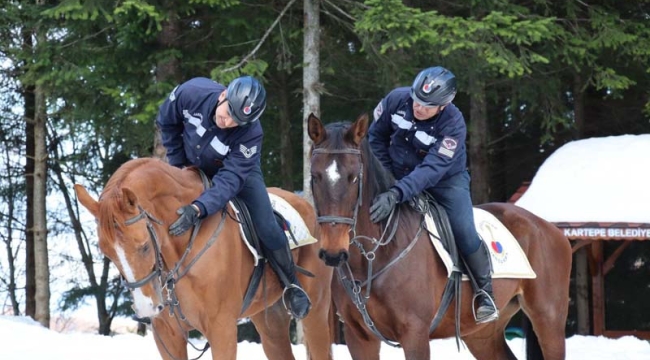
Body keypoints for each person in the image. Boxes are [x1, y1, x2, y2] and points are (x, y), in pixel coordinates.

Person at [156, 76, 311, 319]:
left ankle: (291, 285)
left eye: (236, 122)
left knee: (266, 225)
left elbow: (230, 180)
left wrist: (199, 208)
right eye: (229, 112)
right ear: (223, 95)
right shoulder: (190, 92)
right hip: (187, 164)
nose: (227, 122)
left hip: (235, 173)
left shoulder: (251, 134)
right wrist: (178, 166)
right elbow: (167, 122)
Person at [367, 66, 498, 324]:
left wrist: (397, 192)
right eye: (417, 99)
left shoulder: (454, 124)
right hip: (395, 173)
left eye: (427, 105)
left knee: (463, 230)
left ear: (444, 105)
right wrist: (387, 178)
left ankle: (484, 292)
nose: (418, 107)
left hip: (444, 181)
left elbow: (432, 169)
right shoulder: (395, 100)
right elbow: (376, 139)